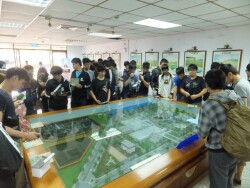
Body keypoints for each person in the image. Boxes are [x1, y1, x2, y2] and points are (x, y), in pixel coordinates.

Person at [198, 69, 242, 188]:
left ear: (206, 84)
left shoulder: (208, 104)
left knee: (218, 182)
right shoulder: (235, 96)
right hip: (237, 145)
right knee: (229, 177)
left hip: (219, 150)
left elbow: (202, 133)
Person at [0, 67, 40, 188]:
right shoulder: (1, 96)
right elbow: (0, 127)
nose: (22, 86)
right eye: (22, 83)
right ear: (15, 78)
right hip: (10, 144)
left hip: (13, 139)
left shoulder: (5, 94)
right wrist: (26, 135)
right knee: (18, 179)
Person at [220, 63, 250, 185]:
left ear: (230, 74)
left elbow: (243, 108)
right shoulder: (243, 82)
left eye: (224, 77)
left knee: (240, 149)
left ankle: (236, 177)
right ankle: (237, 177)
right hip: (246, 122)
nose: (224, 81)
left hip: (243, 123)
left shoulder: (239, 86)